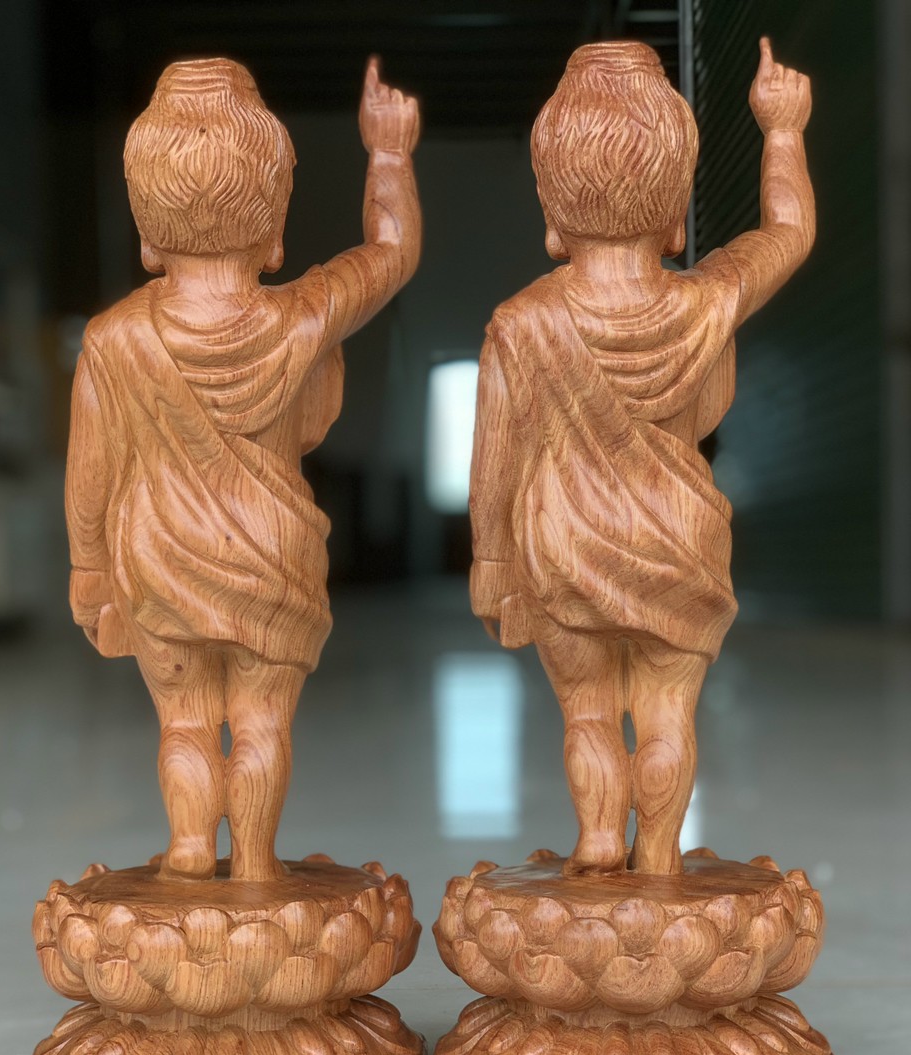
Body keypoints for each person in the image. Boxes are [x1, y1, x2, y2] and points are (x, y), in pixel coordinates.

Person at [65, 57, 420, 882]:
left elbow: (90, 474)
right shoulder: (300, 317)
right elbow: (392, 252)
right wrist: (389, 155)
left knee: (185, 723)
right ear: (274, 229)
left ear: (147, 234)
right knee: (262, 722)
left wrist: (88, 569)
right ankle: (256, 861)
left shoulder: (113, 339)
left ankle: (191, 849)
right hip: (273, 559)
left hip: (159, 558)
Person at [470, 37, 813, 875]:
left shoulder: (520, 323)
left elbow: (495, 462)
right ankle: (658, 855)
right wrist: (782, 130)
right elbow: (790, 231)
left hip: (563, 544)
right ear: (675, 214)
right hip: (678, 542)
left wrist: (491, 561)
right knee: (666, 713)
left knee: (586, 711)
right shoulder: (703, 302)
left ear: (552, 214)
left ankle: (596, 837)